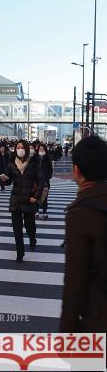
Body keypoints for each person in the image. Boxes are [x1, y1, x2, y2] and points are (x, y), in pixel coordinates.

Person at [60, 136, 107, 333]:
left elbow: (75, 283)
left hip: (99, 319)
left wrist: (66, 333)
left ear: (77, 171)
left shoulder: (81, 214)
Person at [2, 140, 44, 262]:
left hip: (29, 198)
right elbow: (9, 181)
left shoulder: (34, 163)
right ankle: (20, 252)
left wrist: (35, 196)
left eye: (22, 147)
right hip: (16, 198)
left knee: (29, 225)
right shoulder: (11, 163)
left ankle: (32, 238)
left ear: (26, 149)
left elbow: (41, 181)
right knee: (17, 227)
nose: (19, 150)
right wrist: (4, 179)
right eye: (18, 147)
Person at [36, 143, 53, 220]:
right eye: (40, 149)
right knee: (36, 196)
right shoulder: (35, 158)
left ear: (45, 150)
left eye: (43, 149)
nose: (41, 151)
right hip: (36, 182)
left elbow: (50, 170)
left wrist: (47, 178)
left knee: (44, 198)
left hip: (45, 181)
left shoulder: (48, 158)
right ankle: (36, 212)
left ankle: (44, 213)